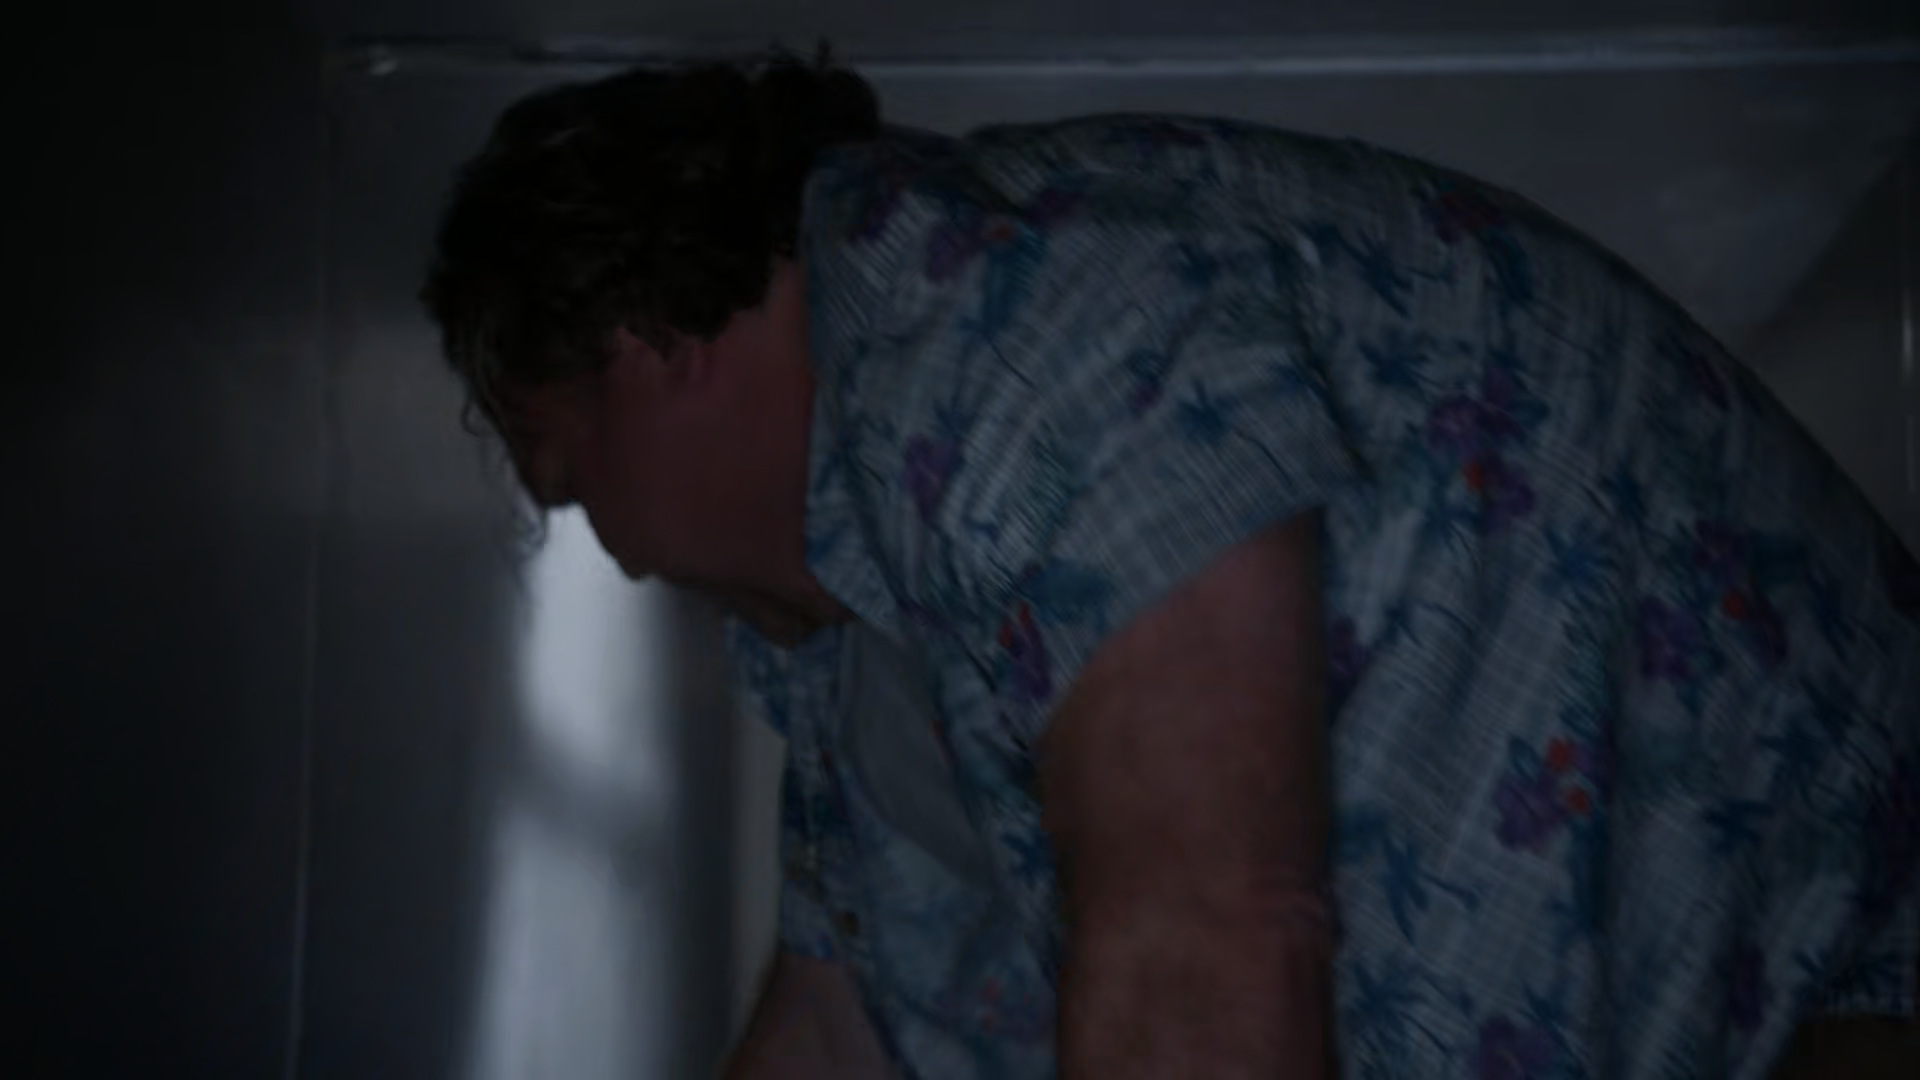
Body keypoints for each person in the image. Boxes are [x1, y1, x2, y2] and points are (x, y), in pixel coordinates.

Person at [421, 53, 1919, 1080]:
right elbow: (841, 1029)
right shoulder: (853, 627)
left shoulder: (996, 314)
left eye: (569, 476)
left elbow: (1208, 941)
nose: (619, 553)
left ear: (638, 338)